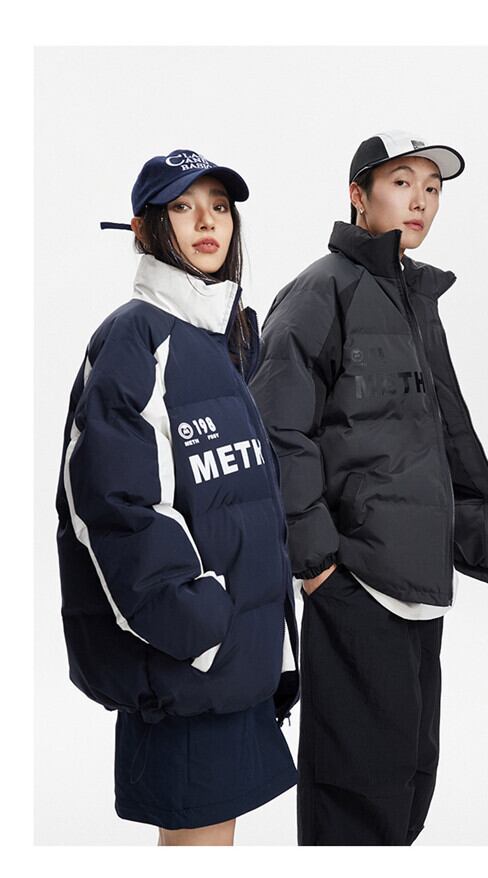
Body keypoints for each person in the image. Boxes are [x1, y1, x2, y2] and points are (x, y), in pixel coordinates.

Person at [248, 130, 488, 846]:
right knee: (355, 800)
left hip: (418, 588)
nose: (420, 201)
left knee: (408, 788)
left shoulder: (412, 297)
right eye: (402, 183)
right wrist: (317, 565)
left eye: (432, 189)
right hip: (356, 585)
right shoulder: (321, 290)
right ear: (358, 196)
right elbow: (276, 427)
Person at [55, 148, 299, 846]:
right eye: (183, 207)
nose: (207, 222)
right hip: (186, 666)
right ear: (144, 228)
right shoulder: (135, 337)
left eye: (219, 207)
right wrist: (199, 629)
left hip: (234, 662)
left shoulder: (225, 338)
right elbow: (113, 504)